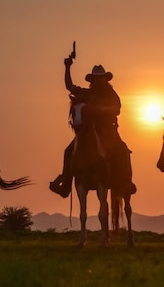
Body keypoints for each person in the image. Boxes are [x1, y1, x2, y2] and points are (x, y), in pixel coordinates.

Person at [49, 57, 136, 198]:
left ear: (105, 79)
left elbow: (117, 108)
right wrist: (67, 67)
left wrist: (100, 110)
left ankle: (126, 182)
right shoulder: (88, 93)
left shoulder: (111, 94)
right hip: (88, 130)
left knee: (121, 149)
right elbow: (70, 87)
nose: (98, 81)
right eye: (95, 79)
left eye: (100, 78)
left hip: (108, 130)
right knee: (68, 151)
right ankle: (65, 184)